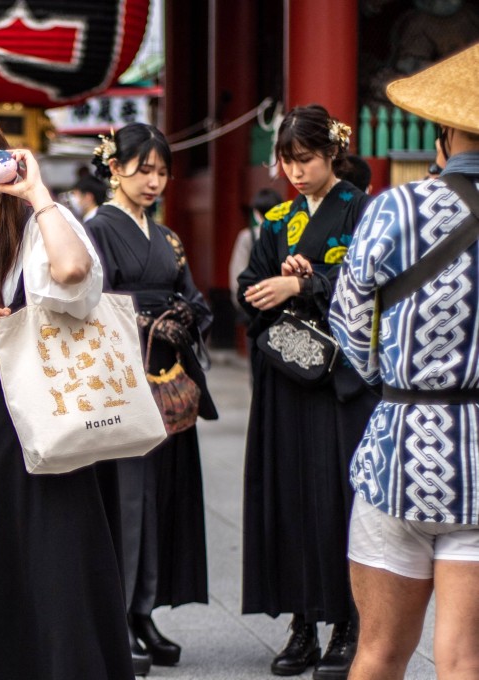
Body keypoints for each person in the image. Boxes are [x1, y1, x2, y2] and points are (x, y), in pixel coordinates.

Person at [0, 111, 135, 680]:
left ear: (3, 161)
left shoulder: (48, 222)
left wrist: (37, 190)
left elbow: (70, 271)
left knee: (60, 568)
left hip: (56, 415)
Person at [330, 44, 479, 680]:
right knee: (464, 659)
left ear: (444, 130)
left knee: (379, 654)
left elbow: (347, 320)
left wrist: (391, 381)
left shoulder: (394, 207)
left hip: (401, 451)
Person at [238, 104, 378, 679]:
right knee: (291, 495)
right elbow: (249, 284)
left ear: (332, 154)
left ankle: (348, 622)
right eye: (288, 161)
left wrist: (308, 281)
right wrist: (269, 288)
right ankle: (302, 625)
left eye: (307, 159)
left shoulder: (362, 212)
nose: (296, 172)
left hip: (339, 383)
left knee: (337, 498)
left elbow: (373, 284)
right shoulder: (279, 219)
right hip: (288, 377)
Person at [85, 123, 217, 669]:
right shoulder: (97, 230)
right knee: (127, 500)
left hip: (167, 382)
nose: (154, 181)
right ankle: (117, 614)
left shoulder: (166, 238)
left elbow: (194, 296)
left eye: (161, 171)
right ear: (114, 168)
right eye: (144, 169)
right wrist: (143, 321)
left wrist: (187, 314)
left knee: (158, 499)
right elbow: (92, 301)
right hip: (123, 382)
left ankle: (145, 610)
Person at [229, 188, 283, 312]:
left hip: (255, 301)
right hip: (282, 302)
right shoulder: (287, 235)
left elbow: (238, 274)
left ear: (256, 213)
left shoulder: (247, 236)